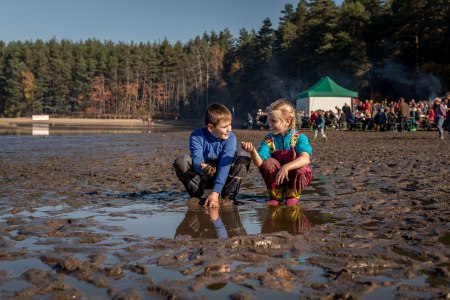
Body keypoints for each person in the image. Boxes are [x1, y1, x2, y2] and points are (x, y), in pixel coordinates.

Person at [173, 103, 251, 207]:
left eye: (230, 125)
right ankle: (197, 196)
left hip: (224, 175)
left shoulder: (231, 138)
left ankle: (228, 196)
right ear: (210, 127)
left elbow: (225, 164)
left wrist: (215, 192)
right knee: (181, 160)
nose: (229, 129)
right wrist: (202, 167)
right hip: (203, 176)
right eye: (224, 126)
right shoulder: (196, 136)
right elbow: (197, 158)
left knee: (243, 154)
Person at [241, 99, 313, 206]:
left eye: (274, 121)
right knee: (268, 163)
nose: (270, 124)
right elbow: (260, 163)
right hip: (276, 179)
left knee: (302, 168)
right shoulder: (269, 139)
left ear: (288, 121)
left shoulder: (299, 138)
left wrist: (286, 167)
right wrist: (252, 151)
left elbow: (306, 158)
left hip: (293, 176)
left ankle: (292, 194)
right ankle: (276, 195)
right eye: (269, 120)